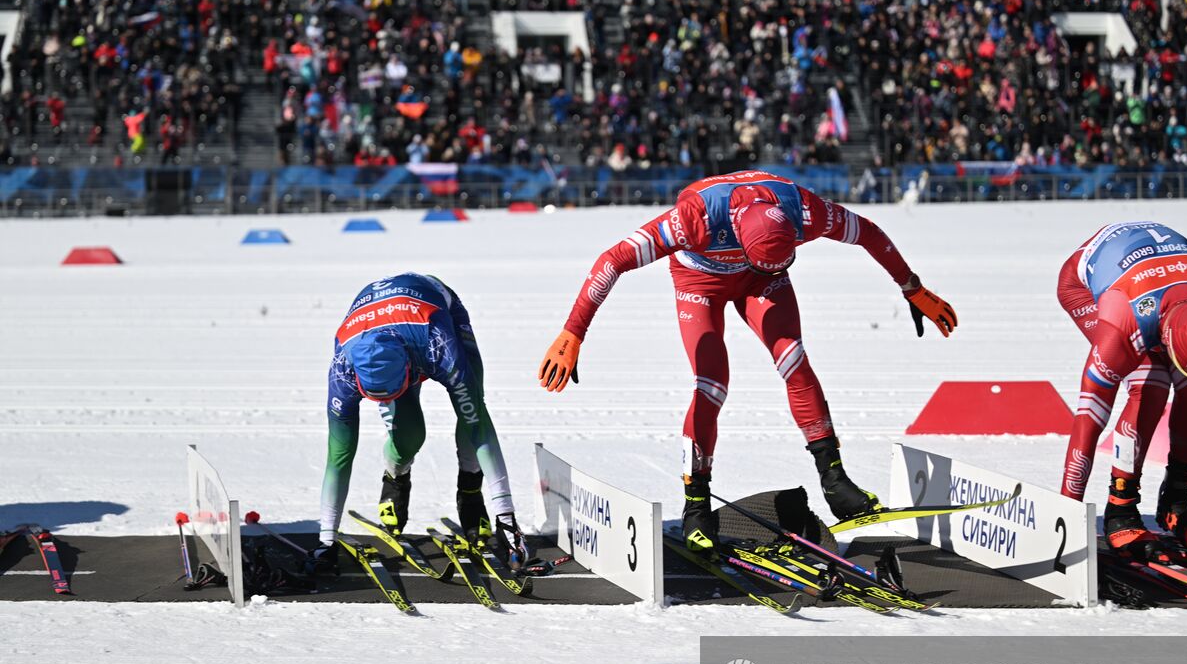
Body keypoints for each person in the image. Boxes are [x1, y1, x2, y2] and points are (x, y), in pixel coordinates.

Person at [537, 170, 958, 550]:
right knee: (711, 385)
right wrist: (574, 331)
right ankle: (696, 504)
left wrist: (912, 287)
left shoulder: (803, 209)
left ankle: (835, 480)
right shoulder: (694, 218)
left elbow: (868, 232)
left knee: (794, 360)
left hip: (761, 279)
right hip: (700, 280)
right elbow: (613, 260)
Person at [1056, 221, 1187, 559]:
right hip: (1094, 285)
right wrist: (1066, 513)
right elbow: (1089, 419)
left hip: (1163, 282)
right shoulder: (1123, 321)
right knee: (1151, 382)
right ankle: (1120, 506)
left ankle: (1176, 499)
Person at [317, 273, 525, 575]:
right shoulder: (343, 371)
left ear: (407, 369)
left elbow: (478, 425)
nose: (387, 399)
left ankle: (470, 489)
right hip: (385, 330)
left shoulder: (439, 346)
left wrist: (506, 516)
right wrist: (326, 539)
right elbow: (339, 457)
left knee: (471, 407)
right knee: (410, 436)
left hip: (431, 314)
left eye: (393, 391)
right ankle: (396, 478)